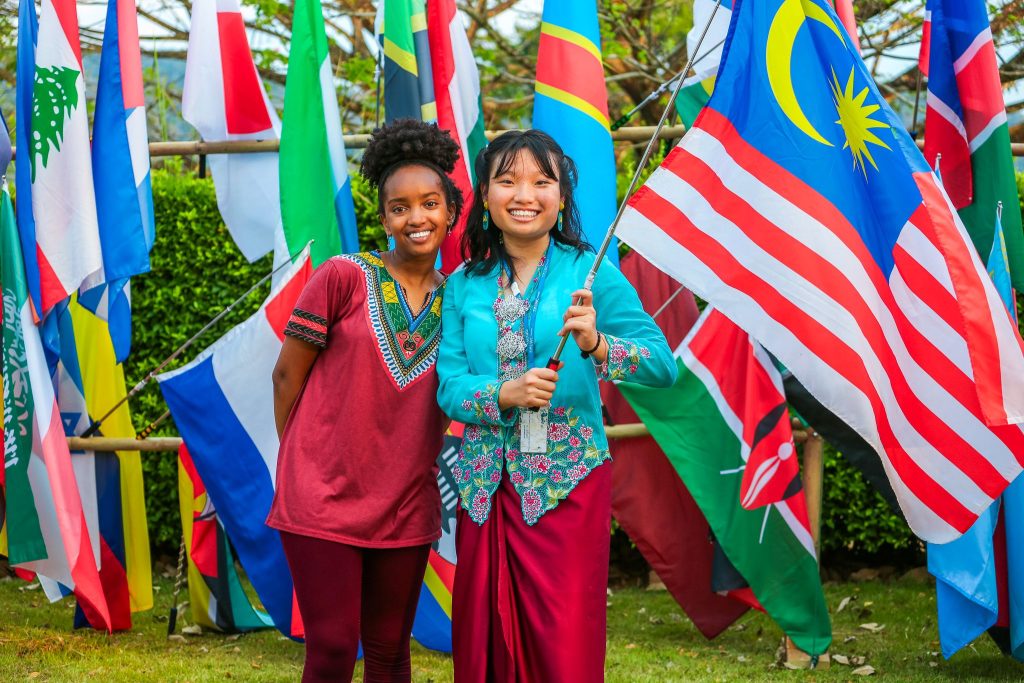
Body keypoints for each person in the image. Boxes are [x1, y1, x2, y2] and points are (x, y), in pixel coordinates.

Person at [436, 129, 678, 682]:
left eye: (541, 182)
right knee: (484, 640)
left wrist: (597, 344)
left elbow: (662, 365)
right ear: (485, 195)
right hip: (484, 489)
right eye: (508, 181)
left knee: (565, 644)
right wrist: (504, 393)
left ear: (562, 197)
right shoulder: (463, 284)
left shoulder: (589, 272)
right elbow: (449, 386)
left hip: (567, 486)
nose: (525, 195)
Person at [267, 119, 463, 683]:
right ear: (383, 219)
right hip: (322, 497)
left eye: (429, 203)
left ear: (450, 211)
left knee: (389, 652)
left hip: (406, 500)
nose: (416, 217)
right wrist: (303, 465)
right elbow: (286, 376)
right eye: (400, 208)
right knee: (332, 648)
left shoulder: (462, 300)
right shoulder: (343, 277)